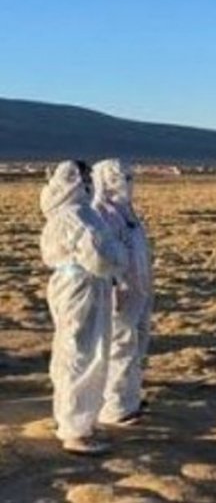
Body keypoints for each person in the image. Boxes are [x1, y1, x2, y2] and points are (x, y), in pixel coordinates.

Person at [40, 160, 128, 455]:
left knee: (74, 350)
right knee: (82, 353)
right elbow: (99, 256)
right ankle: (75, 429)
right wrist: (119, 257)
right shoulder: (78, 216)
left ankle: (78, 419)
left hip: (75, 284)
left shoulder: (65, 213)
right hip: (83, 285)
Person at [92, 159, 153, 426]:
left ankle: (131, 398)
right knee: (121, 345)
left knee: (137, 343)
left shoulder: (127, 213)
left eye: (129, 178)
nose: (126, 184)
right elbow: (103, 256)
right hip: (120, 291)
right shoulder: (100, 213)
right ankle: (115, 407)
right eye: (119, 178)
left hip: (139, 287)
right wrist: (113, 286)